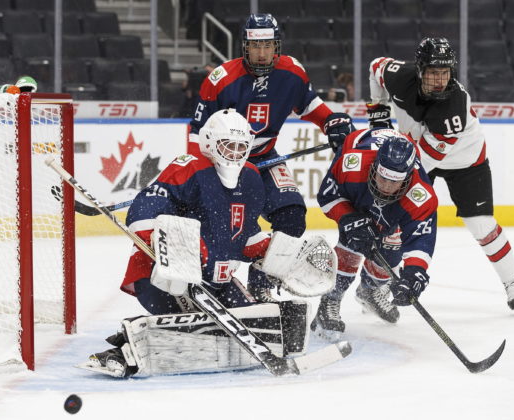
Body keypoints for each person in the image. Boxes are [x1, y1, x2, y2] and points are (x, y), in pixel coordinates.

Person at [82, 109, 337, 377]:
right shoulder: (189, 167)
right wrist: (169, 242)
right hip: (162, 277)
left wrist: (279, 252)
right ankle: (123, 350)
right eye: (228, 145)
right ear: (209, 143)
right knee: (194, 325)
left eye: (242, 147)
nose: (235, 153)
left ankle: (155, 342)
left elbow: (245, 235)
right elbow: (143, 209)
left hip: (216, 282)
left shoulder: (250, 178)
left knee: (257, 321)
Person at [188, 13, 354, 303]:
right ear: (245, 47)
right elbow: (196, 134)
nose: (262, 53)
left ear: (277, 46)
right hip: (223, 163)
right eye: (255, 46)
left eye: (268, 46)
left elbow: (310, 106)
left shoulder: (293, 73)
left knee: (291, 217)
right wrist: (201, 177)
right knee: (228, 226)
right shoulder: (221, 80)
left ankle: (260, 285)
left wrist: (331, 123)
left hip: (265, 158)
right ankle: (210, 282)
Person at [367, 37, 514, 317]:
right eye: (433, 73)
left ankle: (512, 281)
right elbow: (375, 68)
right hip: (419, 148)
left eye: (445, 73)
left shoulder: (454, 106)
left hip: (465, 160)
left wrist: (394, 155)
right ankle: (373, 287)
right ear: (419, 70)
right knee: (389, 217)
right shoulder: (398, 76)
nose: (440, 80)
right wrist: (378, 114)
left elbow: (423, 157)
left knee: (481, 225)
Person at [312, 128, 438, 340]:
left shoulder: (420, 194)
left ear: (408, 177)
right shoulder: (352, 165)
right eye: (383, 177)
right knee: (352, 240)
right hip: (358, 194)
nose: (387, 187)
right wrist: (348, 218)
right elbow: (327, 196)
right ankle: (331, 299)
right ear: (375, 166)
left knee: (391, 244)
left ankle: (369, 290)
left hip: (393, 211)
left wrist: (414, 273)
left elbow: (420, 238)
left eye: (394, 181)